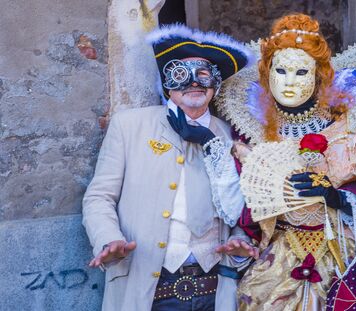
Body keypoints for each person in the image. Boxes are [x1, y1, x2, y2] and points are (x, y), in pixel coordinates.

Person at [210, 14, 356, 310]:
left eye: (300, 72)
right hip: (282, 256)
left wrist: (340, 197)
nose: (288, 82)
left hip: (353, 251)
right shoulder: (250, 136)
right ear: (266, 73)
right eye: (280, 71)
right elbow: (243, 210)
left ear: (319, 75)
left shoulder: (349, 130)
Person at [82, 24, 258, 311]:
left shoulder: (230, 135)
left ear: (214, 84)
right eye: (182, 74)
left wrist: (239, 245)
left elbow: (241, 207)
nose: (194, 83)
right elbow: (98, 197)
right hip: (148, 286)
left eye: (204, 75)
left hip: (213, 288)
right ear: (168, 83)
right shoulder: (130, 126)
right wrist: (108, 238)